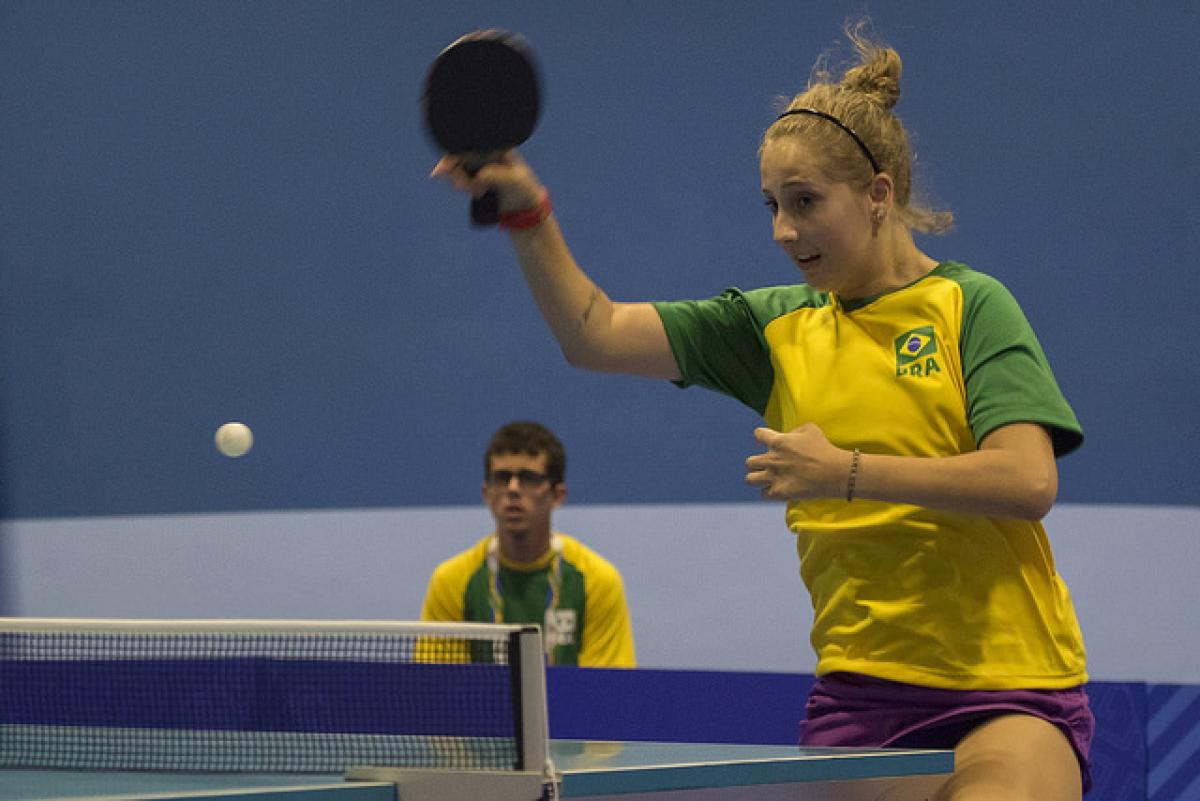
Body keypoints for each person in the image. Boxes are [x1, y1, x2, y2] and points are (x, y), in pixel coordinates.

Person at [431, 20, 1093, 800]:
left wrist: (845, 472)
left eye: (806, 202)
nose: (784, 230)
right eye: (773, 205)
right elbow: (595, 333)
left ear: (879, 194)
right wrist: (528, 211)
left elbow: (1027, 480)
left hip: (1009, 686)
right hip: (863, 695)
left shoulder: (970, 305)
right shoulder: (773, 326)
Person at [420, 421, 636, 668]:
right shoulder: (452, 581)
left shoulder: (597, 581)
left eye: (529, 478)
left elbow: (605, 691)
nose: (512, 489)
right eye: (502, 478)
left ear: (557, 495)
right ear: (486, 493)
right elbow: (440, 689)